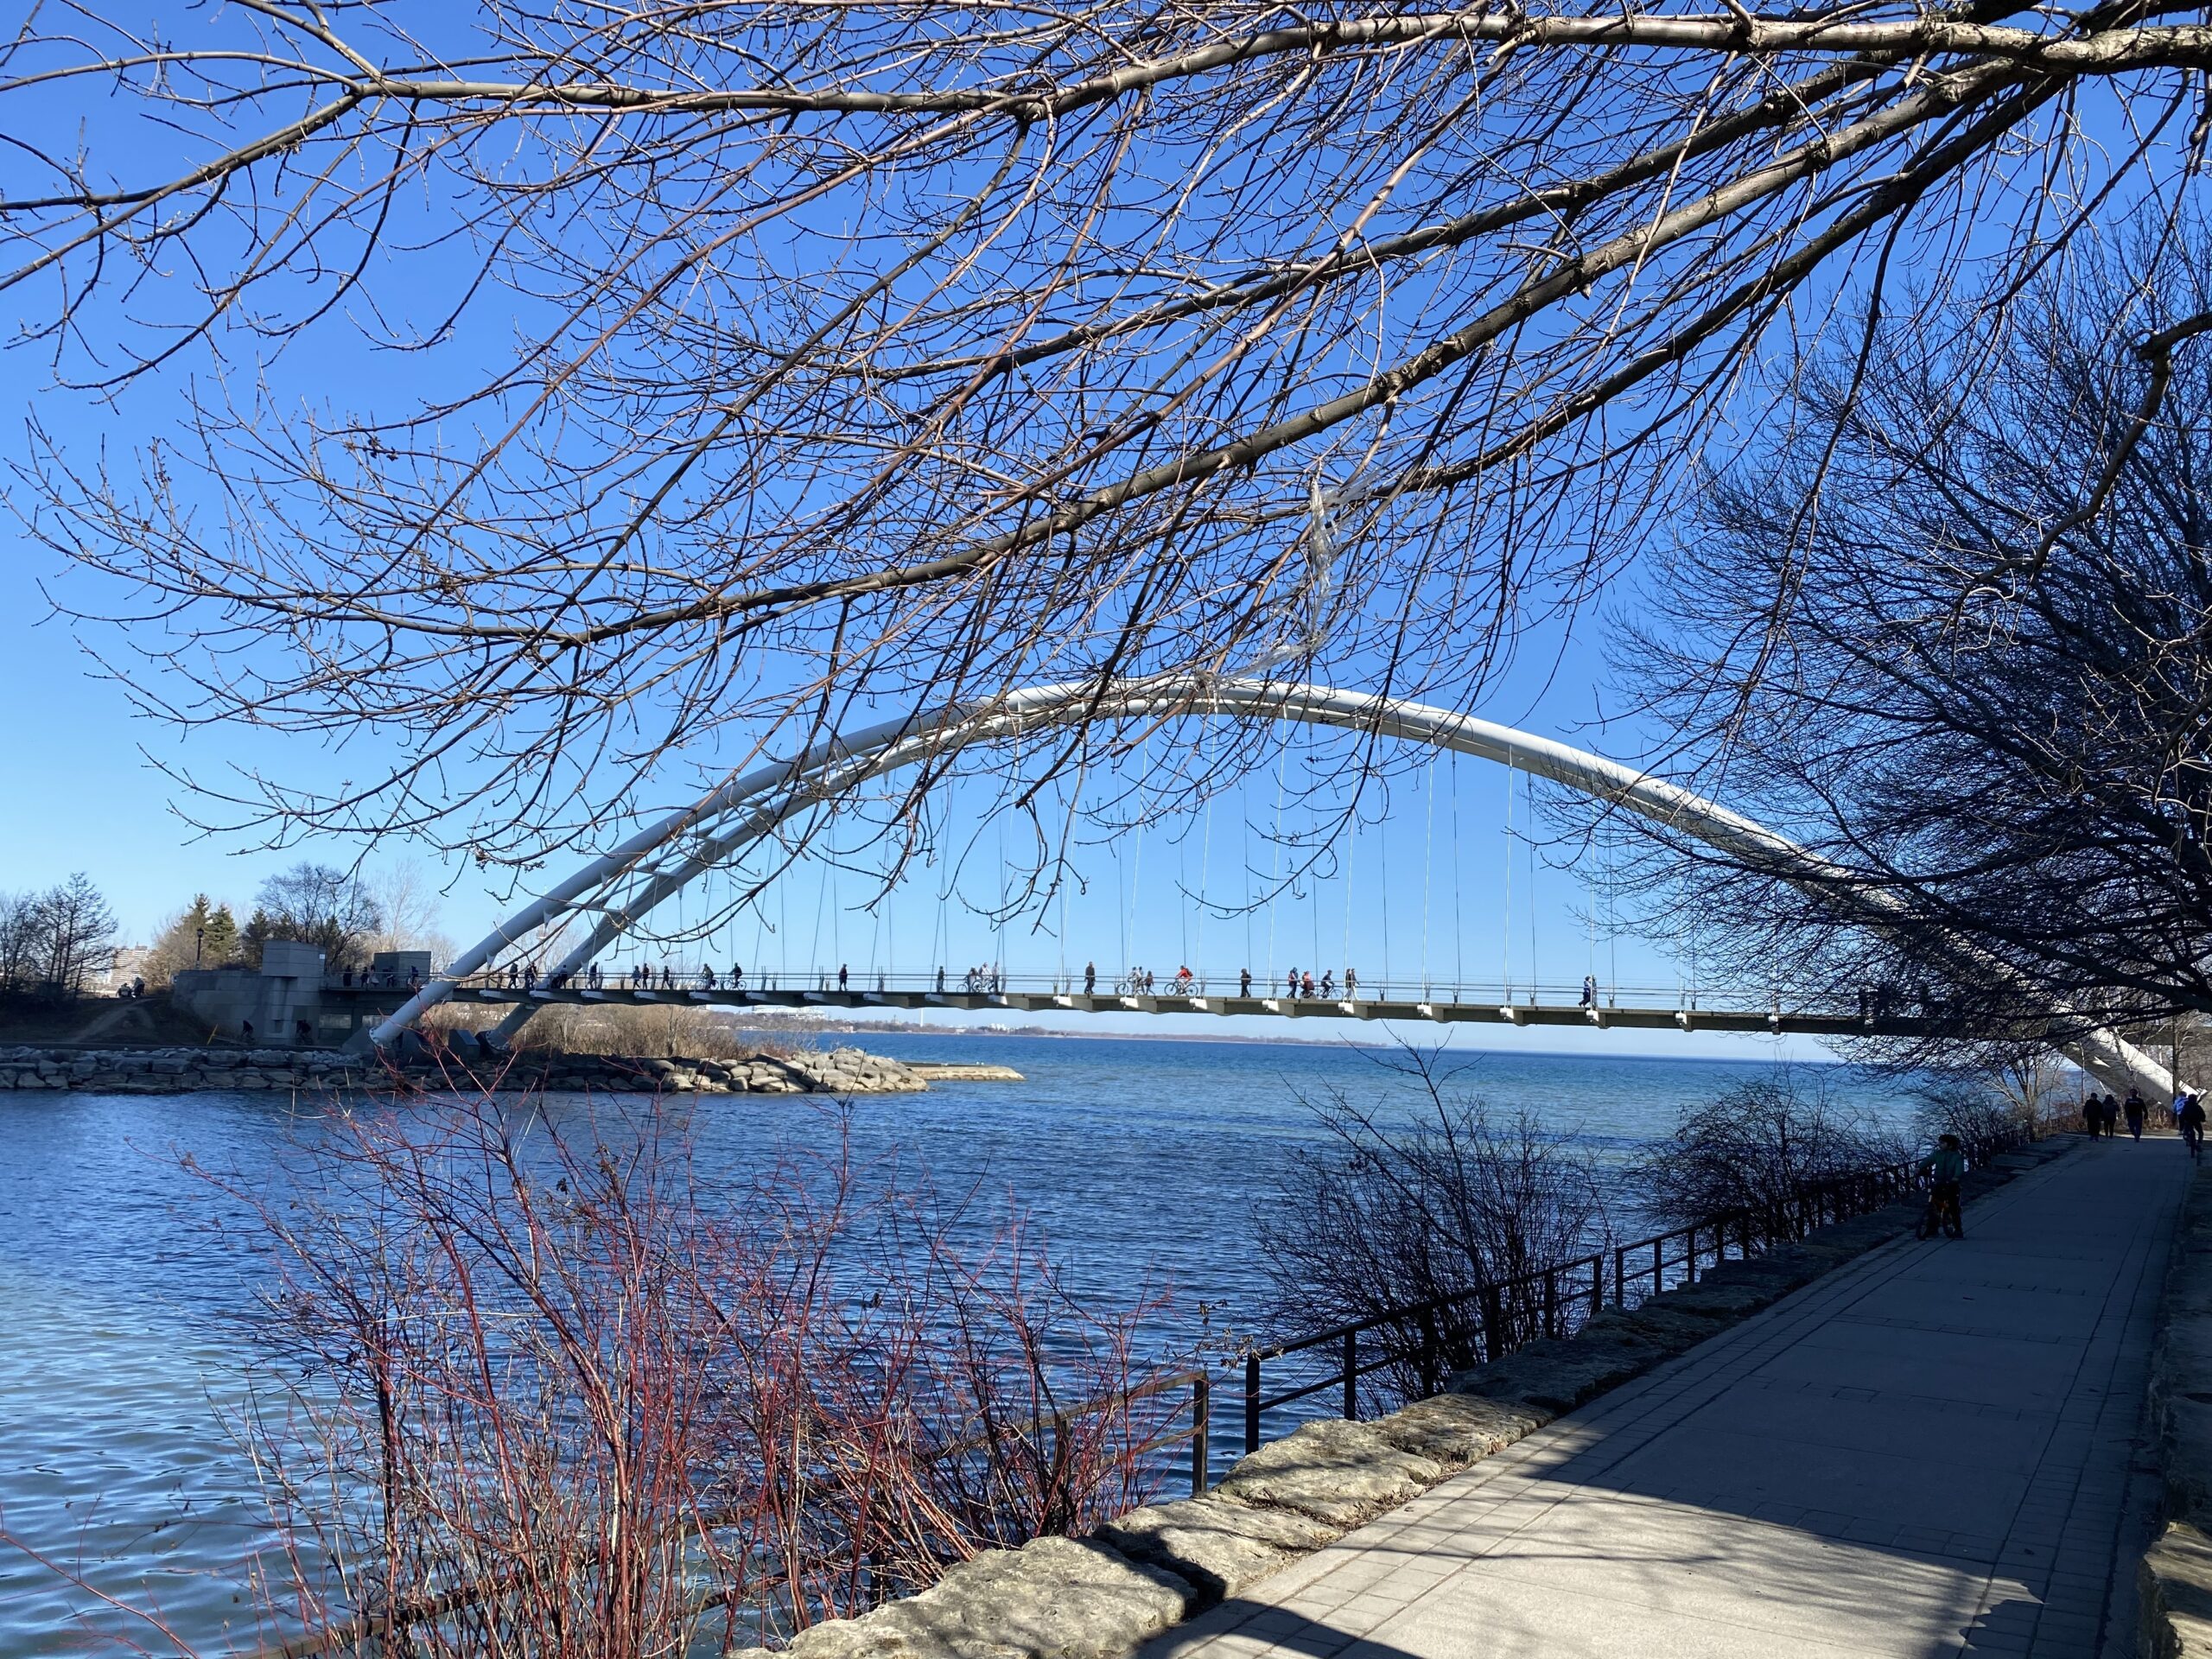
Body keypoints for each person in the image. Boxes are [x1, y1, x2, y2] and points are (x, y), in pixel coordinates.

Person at [1916, 1133, 1967, 1239]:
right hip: (1939, 1181)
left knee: (1953, 1207)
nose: (1940, 1144)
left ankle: (1958, 1229)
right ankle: (1932, 1228)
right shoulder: (1938, 1154)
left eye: (1942, 1143)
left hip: (1952, 1184)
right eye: (1940, 1142)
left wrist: (1956, 1177)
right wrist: (1919, 1167)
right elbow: (1928, 1161)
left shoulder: (1957, 1157)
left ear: (1950, 1145)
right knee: (1933, 1205)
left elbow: (1959, 1169)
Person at [2183, 1094, 2206, 1161]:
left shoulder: (2186, 1106)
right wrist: (2203, 1119)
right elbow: (2202, 1115)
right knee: (2201, 1132)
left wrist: (2182, 1125)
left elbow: (2182, 1115)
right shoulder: (2197, 1107)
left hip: (2188, 1122)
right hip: (2196, 1122)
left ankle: (2188, 1139)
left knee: (2186, 1134)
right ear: (2195, 1100)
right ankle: (2199, 1143)